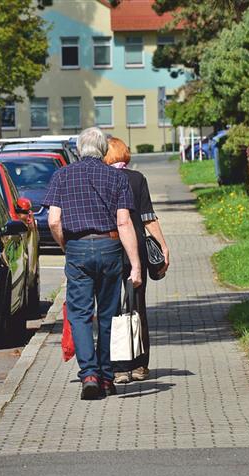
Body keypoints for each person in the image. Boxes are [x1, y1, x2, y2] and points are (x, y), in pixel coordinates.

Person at [43, 127, 142, 400]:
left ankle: (89, 374)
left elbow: (53, 220)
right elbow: (124, 223)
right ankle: (107, 378)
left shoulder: (61, 176)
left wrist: (67, 246)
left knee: (79, 315)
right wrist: (135, 265)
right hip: (110, 248)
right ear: (102, 150)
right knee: (108, 315)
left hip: (77, 249)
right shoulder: (117, 177)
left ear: (78, 149)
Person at [103, 138, 170, 384]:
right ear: (125, 154)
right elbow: (148, 217)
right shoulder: (137, 179)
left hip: (109, 248)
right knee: (136, 306)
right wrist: (163, 245)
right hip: (137, 250)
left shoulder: (101, 179)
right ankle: (140, 365)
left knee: (112, 307)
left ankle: (119, 368)